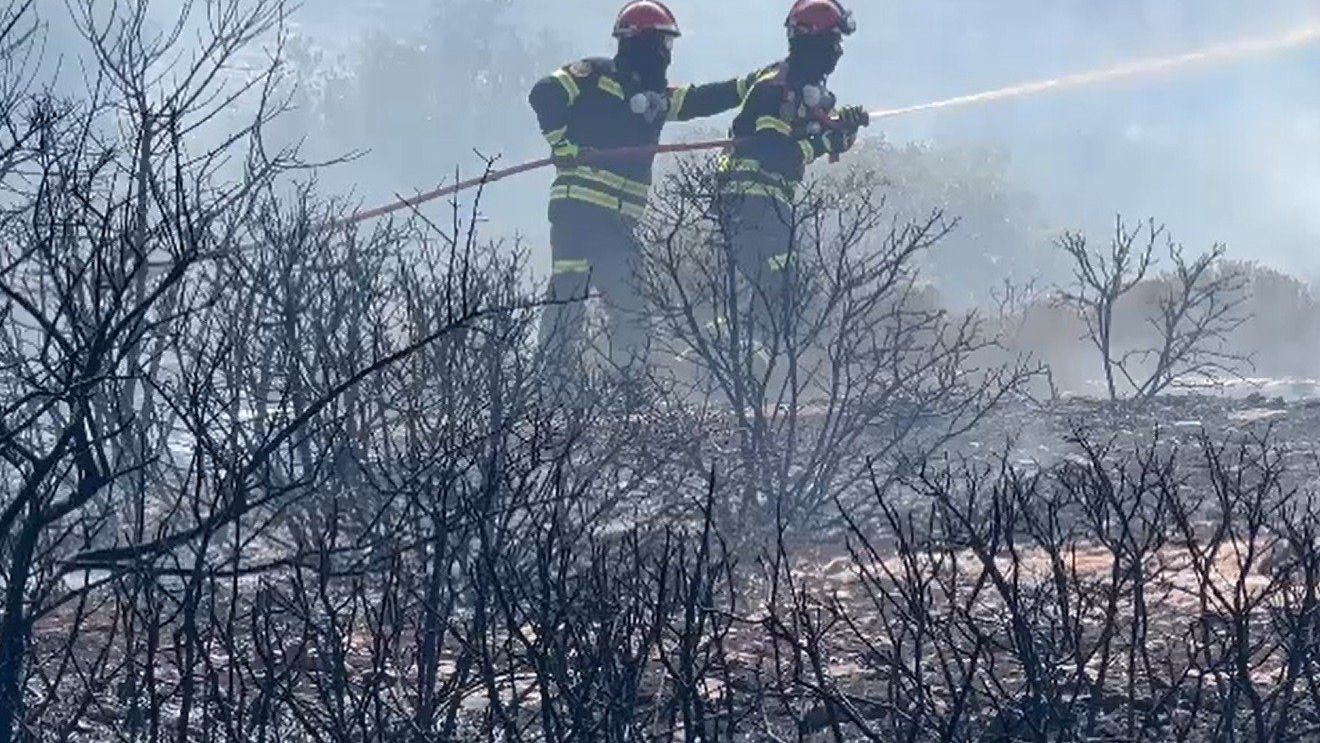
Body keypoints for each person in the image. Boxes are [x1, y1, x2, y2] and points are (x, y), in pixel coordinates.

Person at [529, 1, 759, 375]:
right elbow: (544, 92)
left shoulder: (655, 98)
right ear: (644, 43)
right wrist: (563, 146)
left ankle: (616, 391)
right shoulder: (596, 75)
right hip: (581, 215)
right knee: (588, 303)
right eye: (663, 44)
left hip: (615, 222)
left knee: (613, 306)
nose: (667, 54)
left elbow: (699, 99)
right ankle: (567, 390)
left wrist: (745, 87)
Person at [718, 0, 869, 344]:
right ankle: (742, 361)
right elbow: (775, 153)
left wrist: (841, 129)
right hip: (752, 199)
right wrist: (825, 142)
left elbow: (811, 137)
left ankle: (733, 357)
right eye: (834, 41)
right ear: (812, 40)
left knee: (772, 292)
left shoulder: (803, 88)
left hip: (766, 200)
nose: (839, 51)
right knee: (781, 286)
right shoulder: (776, 89)